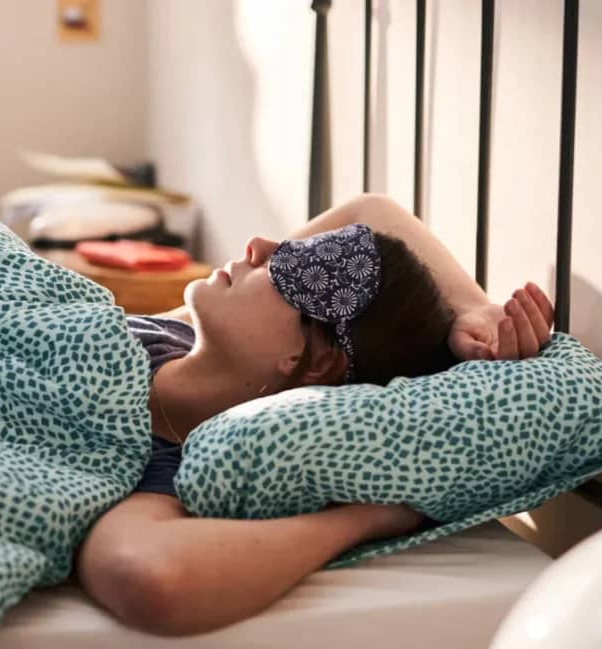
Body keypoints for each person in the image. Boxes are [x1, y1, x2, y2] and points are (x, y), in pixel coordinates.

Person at [72, 194, 556, 637]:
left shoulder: (174, 466)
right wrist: (471, 309)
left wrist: (369, 518)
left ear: (319, 361)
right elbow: (370, 210)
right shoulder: (166, 336)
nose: (259, 245)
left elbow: (149, 576)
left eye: (292, 266)